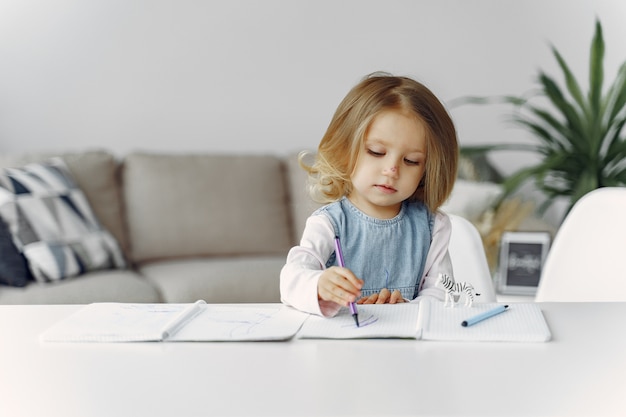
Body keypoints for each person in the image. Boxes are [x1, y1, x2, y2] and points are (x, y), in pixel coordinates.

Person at [280, 72, 458, 317]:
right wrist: (319, 284)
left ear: (428, 170)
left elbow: (443, 293)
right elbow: (291, 278)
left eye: (411, 161)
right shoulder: (329, 224)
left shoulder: (432, 227)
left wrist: (405, 309)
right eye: (376, 152)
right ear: (345, 149)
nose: (392, 170)